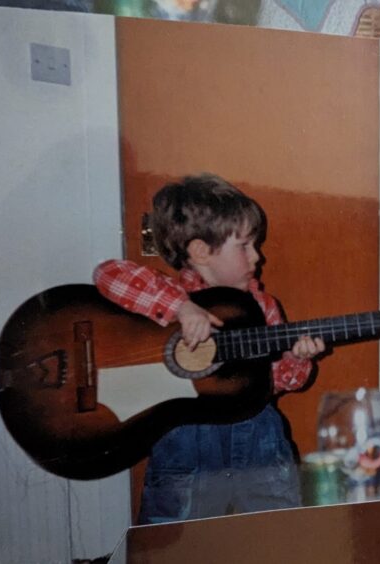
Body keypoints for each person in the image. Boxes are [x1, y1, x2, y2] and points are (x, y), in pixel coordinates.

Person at [93, 173, 325, 524]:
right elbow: (107, 274)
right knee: (174, 542)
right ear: (200, 251)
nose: (257, 257)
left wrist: (295, 357)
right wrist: (179, 308)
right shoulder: (171, 296)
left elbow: (277, 382)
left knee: (280, 534)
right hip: (186, 441)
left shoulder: (263, 307)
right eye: (245, 246)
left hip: (257, 438)